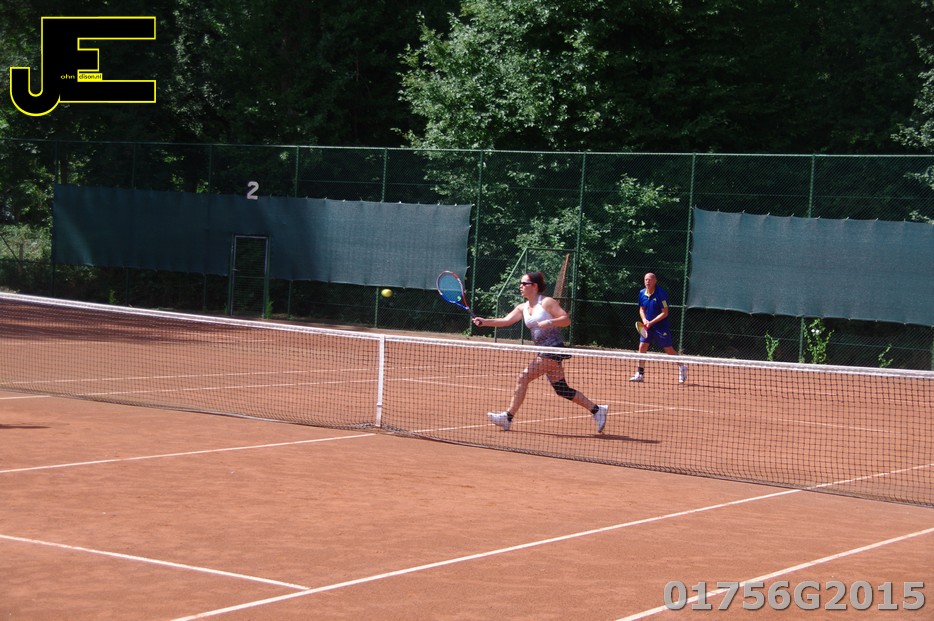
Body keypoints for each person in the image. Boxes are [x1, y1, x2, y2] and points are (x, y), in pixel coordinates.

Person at [472, 272, 608, 433]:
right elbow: (506, 321)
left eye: (524, 283)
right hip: (543, 351)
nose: (521, 286)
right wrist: (485, 322)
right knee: (561, 389)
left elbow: (566, 320)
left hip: (553, 350)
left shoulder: (547, 302)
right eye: (521, 283)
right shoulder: (522, 307)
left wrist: (549, 321)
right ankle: (597, 410)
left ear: (535, 286)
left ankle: (507, 417)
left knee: (523, 377)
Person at [630, 272, 688, 384]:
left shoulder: (661, 294)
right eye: (646, 279)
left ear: (655, 281)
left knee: (668, 349)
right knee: (642, 346)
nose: (647, 281)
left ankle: (682, 366)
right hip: (647, 326)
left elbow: (665, 313)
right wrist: (644, 320)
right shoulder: (642, 293)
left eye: (650, 279)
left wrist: (651, 322)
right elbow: (641, 309)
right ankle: (640, 374)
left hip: (660, 326)